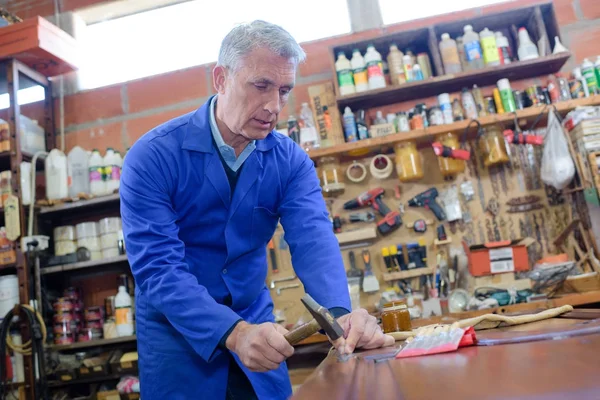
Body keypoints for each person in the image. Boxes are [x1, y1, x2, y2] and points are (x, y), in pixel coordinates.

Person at [120, 20, 394, 400]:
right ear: (221, 78)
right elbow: (158, 268)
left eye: (284, 91)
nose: (273, 106)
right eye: (261, 85)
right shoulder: (152, 157)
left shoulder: (291, 162)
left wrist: (338, 314)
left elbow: (313, 239)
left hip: (260, 334)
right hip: (179, 343)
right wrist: (232, 332)